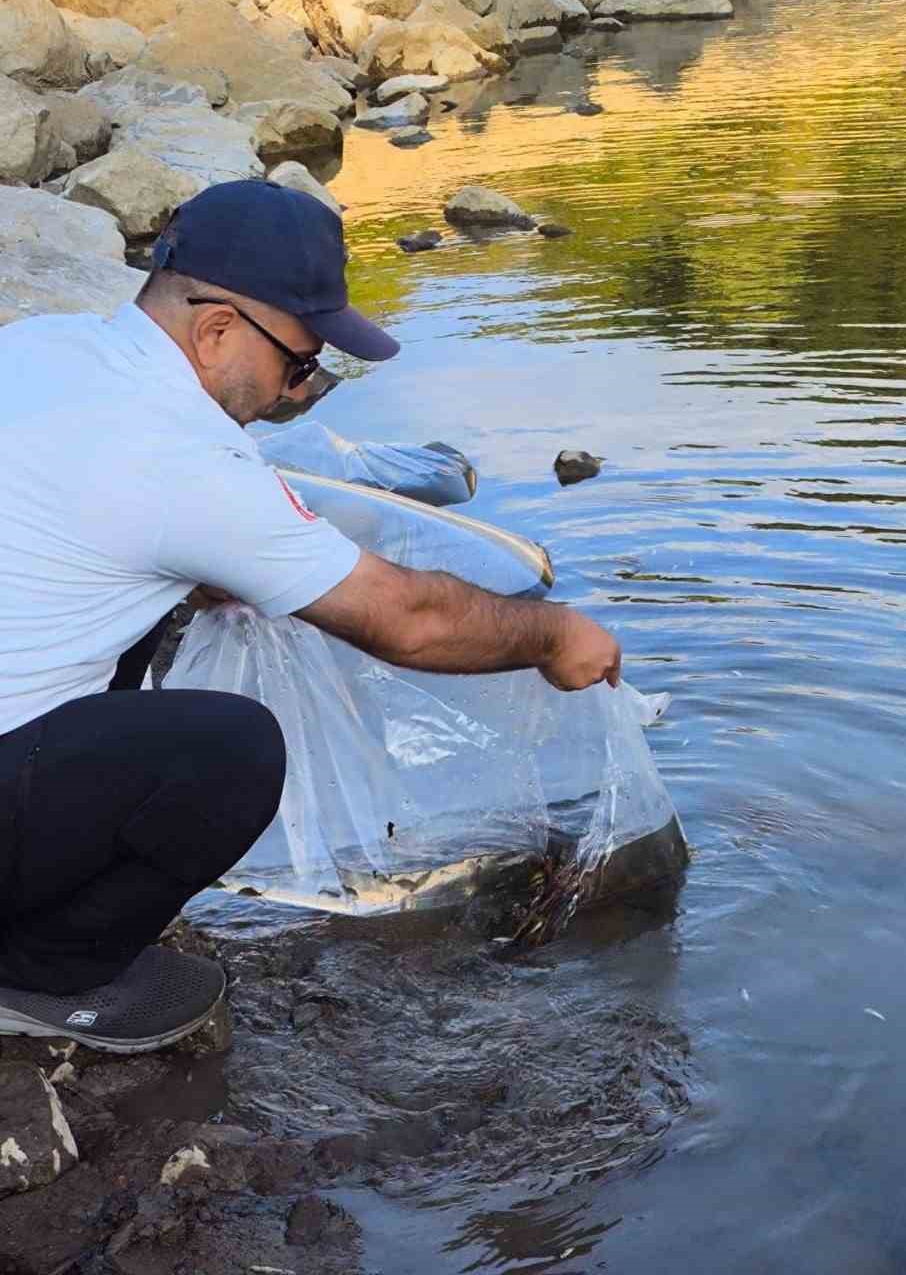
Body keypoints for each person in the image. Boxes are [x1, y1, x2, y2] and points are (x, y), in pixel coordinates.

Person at [0, 179, 621, 1055]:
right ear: (215, 328)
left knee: (145, 631)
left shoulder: (45, 346)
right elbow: (406, 619)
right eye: (297, 361)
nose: (299, 390)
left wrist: (189, 569)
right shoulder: (183, 458)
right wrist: (556, 635)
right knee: (229, 750)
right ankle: (37, 973)